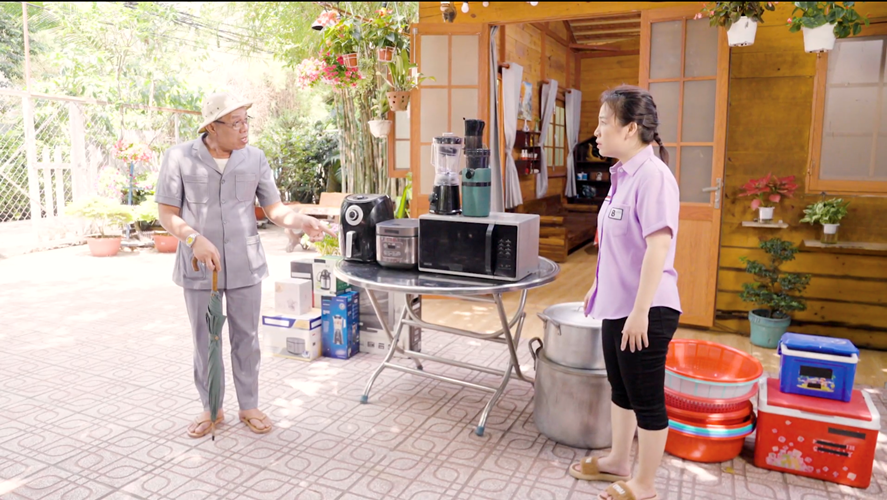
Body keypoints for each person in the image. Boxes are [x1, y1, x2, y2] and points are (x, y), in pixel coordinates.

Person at [155, 92, 335, 438]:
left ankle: (248, 405)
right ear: (211, 126)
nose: (244, 129)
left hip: (245, 264)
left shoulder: (255, 158)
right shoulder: (178, 157)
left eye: (245, 121)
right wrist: (193, 239)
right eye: (235, 122)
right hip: (200, 266)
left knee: (247, 339)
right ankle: (211, 408)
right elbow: (166, 214)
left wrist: (301, 220)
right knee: (205, 340)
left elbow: (274, 209)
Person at [569, 85, 682, 500]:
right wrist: (597, 286)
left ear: (630, 128)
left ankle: (645, 485)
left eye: (604, 123)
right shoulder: (622, 175)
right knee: (622, 389)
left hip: (646, 310)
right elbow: (620, 244)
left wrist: (640, 312)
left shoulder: (653, 177)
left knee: (646, 399)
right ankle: (618, 460)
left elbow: (657, 248)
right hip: (619, 305)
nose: (597, 132)